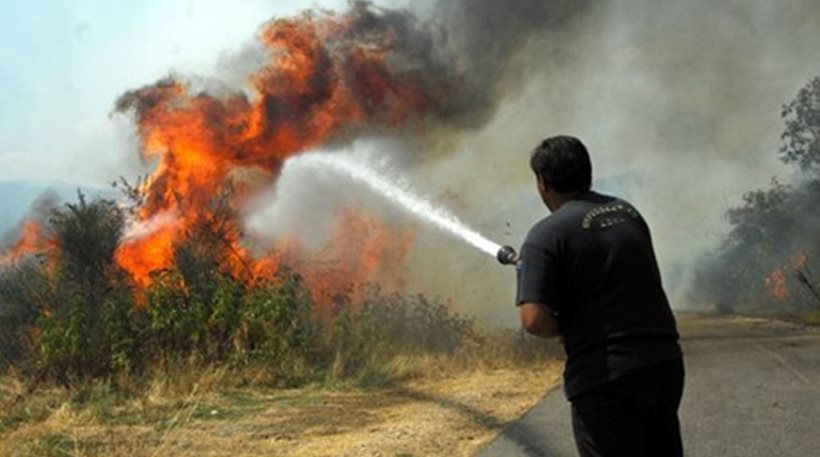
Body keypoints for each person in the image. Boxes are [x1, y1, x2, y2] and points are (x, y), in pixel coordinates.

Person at [515, 135, 684, 457]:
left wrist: (566, 326)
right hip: (663, 364)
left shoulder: (544, 235)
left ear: (543, 182)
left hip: (606, 377)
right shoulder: (628, 213)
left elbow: (534, 320)